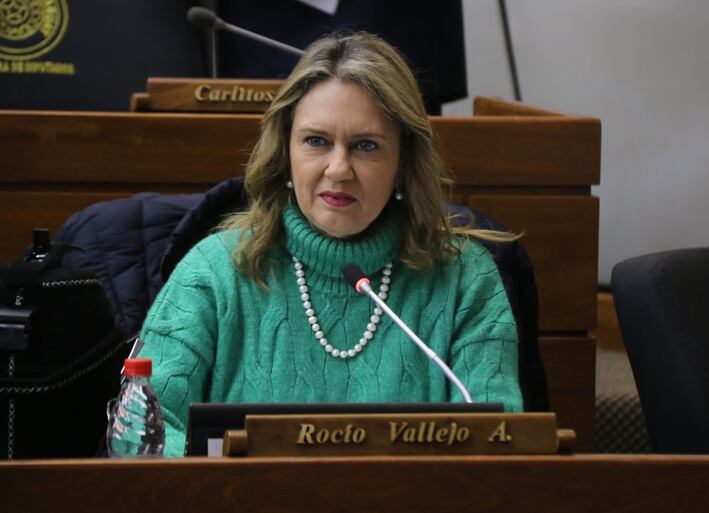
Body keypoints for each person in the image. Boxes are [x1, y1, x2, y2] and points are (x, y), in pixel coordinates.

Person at [139, 32, 523, 457]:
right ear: (286, 152)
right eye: (317, 141)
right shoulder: (212, 272)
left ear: (403, 163)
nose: (338, 170)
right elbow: (142, 433)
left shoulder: (467, 280)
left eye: (366, 146)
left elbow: (499, 443)